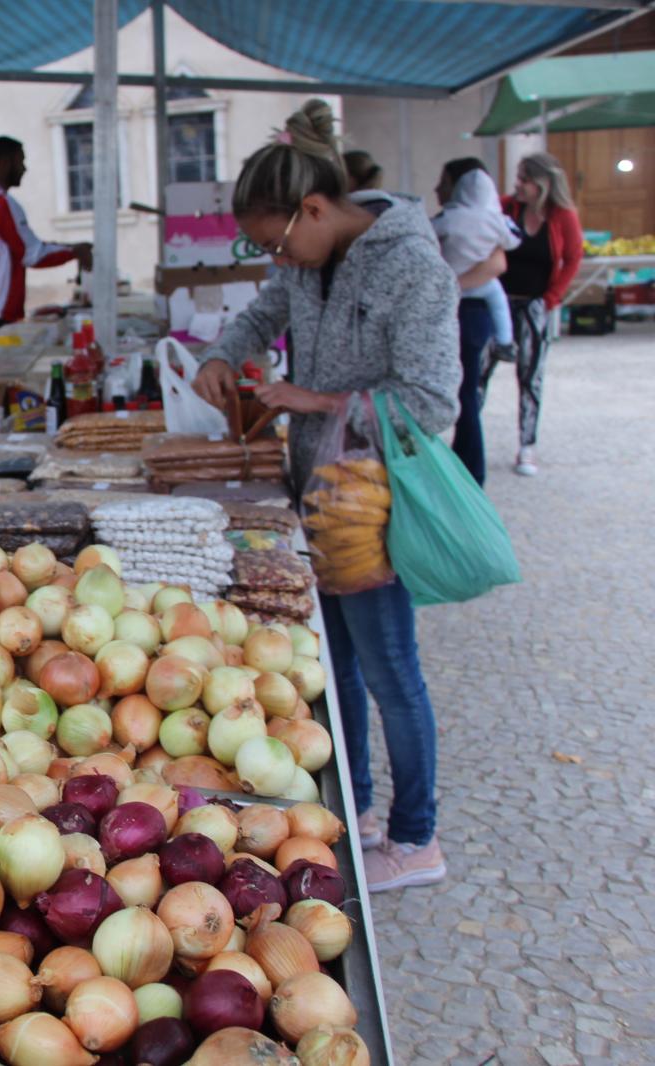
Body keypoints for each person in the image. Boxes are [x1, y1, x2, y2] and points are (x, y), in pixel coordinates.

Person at [192, 100, 459, 892]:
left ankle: (418, 839)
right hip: (316, 498)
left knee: (390, 669)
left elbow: (433, 402)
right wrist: (219, 354)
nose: (278, 260)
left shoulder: (413, 265)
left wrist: (308, 399)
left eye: (277, 241)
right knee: (332, 668)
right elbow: (263, 312)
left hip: (373, 503)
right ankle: (360, 811)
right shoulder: (306, 263)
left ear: (315, 208)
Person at [492, 152, 583, 477]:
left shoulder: (562, 216)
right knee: (478, 370)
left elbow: (573, 257)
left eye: (525, 179)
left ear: (543, 183)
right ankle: (465, 439)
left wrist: (551, 298)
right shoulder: (506, 206)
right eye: (518, 177)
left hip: (534, 303)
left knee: (531, 376)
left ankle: (526, 446)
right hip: (498, 302)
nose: (518, 185)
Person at [0, 136, 93, 341]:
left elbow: (25, 246)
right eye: (21, 161)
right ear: (5, 163)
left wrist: (69, 248)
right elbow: (32, 254)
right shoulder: (0, 205)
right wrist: (75, 251)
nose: (24, 168)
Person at [433, 158, 518, 484]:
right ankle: (463, 469)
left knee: (465, 395)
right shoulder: (491, 222)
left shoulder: (451, 221)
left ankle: (469, 474)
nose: (437, 188)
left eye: (444, 181)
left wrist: (447, 287)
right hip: (472, 309)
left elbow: (497, 264)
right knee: (463, 394)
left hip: (464, 311)